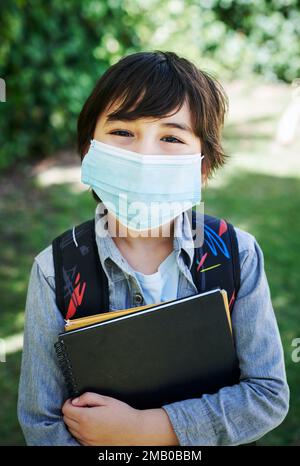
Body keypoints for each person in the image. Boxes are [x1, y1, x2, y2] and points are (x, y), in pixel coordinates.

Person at [18, 50, 289, 446]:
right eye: (123, 132)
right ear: (89, 148)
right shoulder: (55, 270)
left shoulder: (237, 255)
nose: (144, 156)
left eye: (171, 137)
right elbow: (42, 422)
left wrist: (149, 429)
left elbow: (266, 395)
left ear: (202, 166)